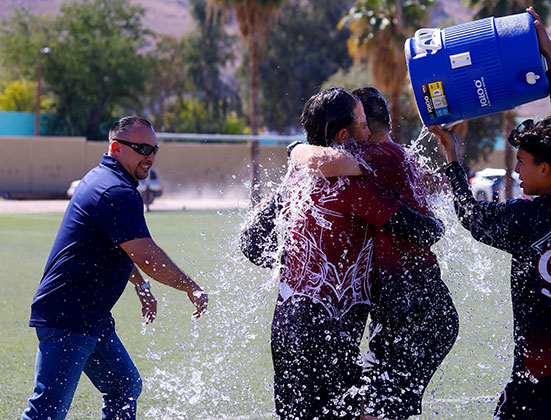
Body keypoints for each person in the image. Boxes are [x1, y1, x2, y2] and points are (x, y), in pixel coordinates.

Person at [429, 8, 551, 420]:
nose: (517, 169)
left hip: (548, 368)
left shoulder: (528, 219)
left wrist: (452, 159)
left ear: (546, 169)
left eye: (523, 161)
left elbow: (471, 217)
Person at [240, 87, 445, 420]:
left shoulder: (297, 177)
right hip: (329, 335)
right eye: (364, 124)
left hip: (288, 325)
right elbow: (424, 231)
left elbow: (250, 243)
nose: (369, 133)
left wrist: (300, 263)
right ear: (343, 135)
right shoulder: (353, 187)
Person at [23, 116, 208, 420]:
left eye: (154, 149)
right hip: (68, 317)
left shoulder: (105, 180)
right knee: (46, 411)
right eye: (141, 148)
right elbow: (145, 254)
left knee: (125, 387)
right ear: (116, 147)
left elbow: (120, 246)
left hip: (90, 316)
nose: (149, 156)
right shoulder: (114, 190)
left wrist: (141, 285)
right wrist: (190, 285)